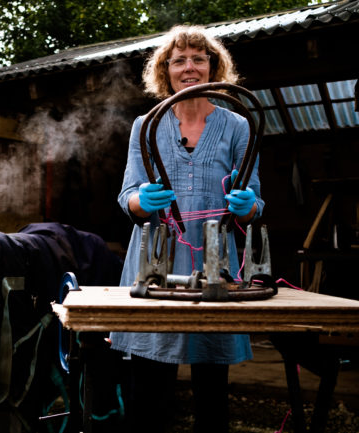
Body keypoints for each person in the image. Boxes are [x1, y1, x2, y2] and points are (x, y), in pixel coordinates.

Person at [110, 25, 264, 433]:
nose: (189, 67)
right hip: (154, 260)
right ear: (166, 70)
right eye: (179, 60)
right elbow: (127, 196)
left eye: (199, 58)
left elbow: (254, 201)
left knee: (211, 388)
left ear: (214, 67)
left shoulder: (237, 126)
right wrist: (142, 200)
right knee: (148, 386)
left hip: (215, 262)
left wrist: (248, 206)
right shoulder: (145, 124)